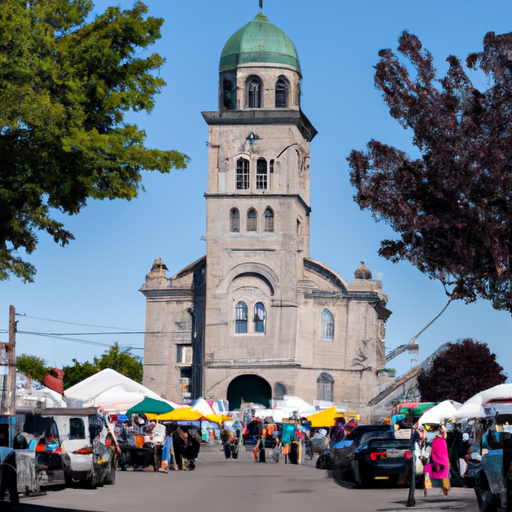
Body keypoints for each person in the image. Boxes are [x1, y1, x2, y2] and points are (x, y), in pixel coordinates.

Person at [424, 426, 450, 496]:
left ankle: (428, 486)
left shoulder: (437, 440)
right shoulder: (442, 440)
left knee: (427, 470)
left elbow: (434, 451)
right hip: (443, 460)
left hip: (437, 460)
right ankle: (445, 486)